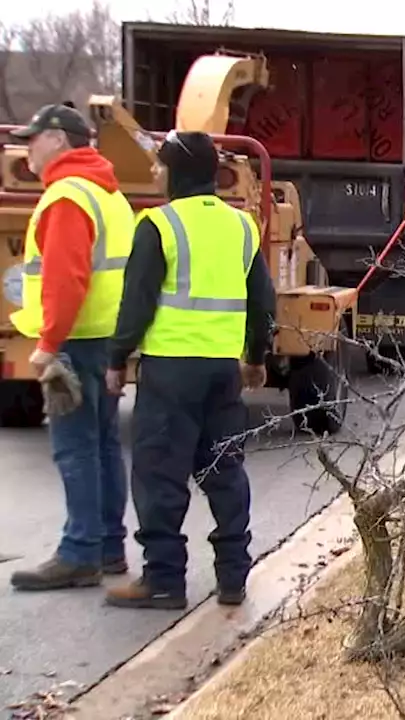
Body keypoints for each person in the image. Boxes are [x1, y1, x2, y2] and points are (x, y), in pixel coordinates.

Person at [103, 130, 276, 610]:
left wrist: (117, 358)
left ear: (174, 172)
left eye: (160, 167)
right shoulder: (242, 226)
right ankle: (233, 578)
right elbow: (263, 299)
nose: (156, 174)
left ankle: (162, 579)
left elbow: (135, 303)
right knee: (224, 468)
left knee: (160, 474)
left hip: (170, 371)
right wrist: (257, 357)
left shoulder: (157, 225)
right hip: (223, 371)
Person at [7, 103, 133, 592]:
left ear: (58, 139)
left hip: (76, 341)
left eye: (33, 139)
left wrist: (47, 344)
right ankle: (108, 547)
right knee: (101, 445)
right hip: (104, 338)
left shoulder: (67, 196)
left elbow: (65, 278)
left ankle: (80, 552)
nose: (27, 149)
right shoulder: (108, 193)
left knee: (75, 447)